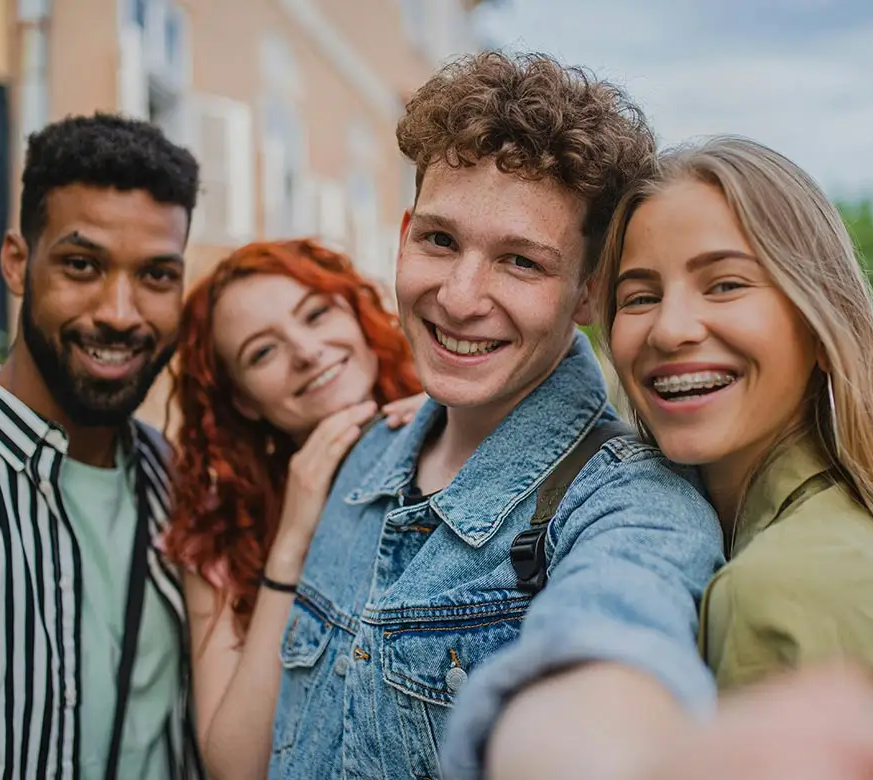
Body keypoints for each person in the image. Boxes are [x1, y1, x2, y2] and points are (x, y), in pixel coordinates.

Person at [270, 51, 726, 780]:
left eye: (521, 262)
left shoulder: (631, 504)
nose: (458, 296)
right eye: (440, 241)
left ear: (587, 295)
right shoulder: (363, 456)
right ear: (403, 236)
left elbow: (618, 641)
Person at [601, 135, 873, 690]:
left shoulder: (774, 590)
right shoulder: (848, 539)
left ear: (822, 325)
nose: (670, 328)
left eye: (726, 285)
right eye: (639, 296)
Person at [0, 113, 204, 779]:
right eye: (82, 265)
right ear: (17, 262)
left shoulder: (179, 486)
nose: (120, 311)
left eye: (156, 275)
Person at [164, 239, 425, 779]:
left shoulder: (461, 424)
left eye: (316, 313)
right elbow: (235, 766)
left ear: (355, 312)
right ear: (241, 399)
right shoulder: (223, 530)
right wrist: (289, 545)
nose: (306, 351)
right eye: (263, 352)